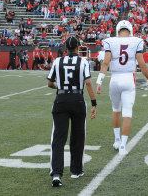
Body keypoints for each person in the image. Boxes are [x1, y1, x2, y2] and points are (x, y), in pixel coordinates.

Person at [96, 20, 148, 155]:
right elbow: (142, 64)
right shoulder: (136, 41)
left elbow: (105, 63)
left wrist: (99, 82)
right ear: (130, 30)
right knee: (127, 113)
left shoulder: (110, 41)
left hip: (114, 79)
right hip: (128, 78)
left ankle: (116, 140)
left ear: (117, 30)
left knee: (116, 110)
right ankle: (122, 145)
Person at [47, 36, 97, 188]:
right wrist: (94, 102)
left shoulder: (57, 61)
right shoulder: (83, 62)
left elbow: (49, 83)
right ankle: (76, 170)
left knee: (58, 138)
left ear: (66, 47)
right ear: (77, 48)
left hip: (61, 100)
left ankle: (56, 173)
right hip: (77, 100)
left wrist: (61, 87)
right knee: (78, 136)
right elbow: (88, 83)